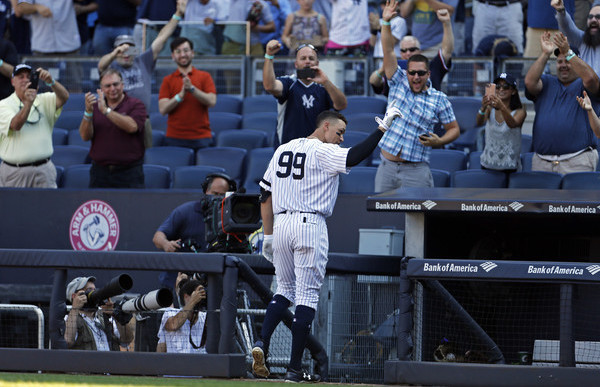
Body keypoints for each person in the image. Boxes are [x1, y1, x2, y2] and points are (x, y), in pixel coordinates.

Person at [251, 109, 399, 382]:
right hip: (310, 224)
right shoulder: (322, 150)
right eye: (339, 132)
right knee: (306, 297)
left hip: (281, 225)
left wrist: (268, 235)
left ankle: (262, 342)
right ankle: (294, 369)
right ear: (325, 126)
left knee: (284, 290)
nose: (341, 139)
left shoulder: (284, 148)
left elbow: (264, 194)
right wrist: (381, 130)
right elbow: (355, 156)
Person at [374, 0, 459, 192]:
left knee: (417, 220)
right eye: (412, 73)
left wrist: (440, 141)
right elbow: (387, 50)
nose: (416, 77)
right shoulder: (397, 82)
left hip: (416, 169)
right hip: (386, 166)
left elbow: (454, 129)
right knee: (380, 217)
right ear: (407, 72)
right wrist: (385, 23)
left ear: (429, 74)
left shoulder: (438, 98)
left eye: (421, 73)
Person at [98, 0, 188, 148]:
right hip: (117, 119)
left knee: (145, 158)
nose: (126, 54)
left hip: (142, 120)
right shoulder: (111, 67)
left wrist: (178, 14)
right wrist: (115, 53)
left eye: (130, 50)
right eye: (122, 50)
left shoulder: (143, 61)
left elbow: (162, 38)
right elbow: (101, 65)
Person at [524, 31, 600, 174]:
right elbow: (529, 82)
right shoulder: (547, 82)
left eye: (567, 61)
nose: (563, 65)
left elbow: (591, 80)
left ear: (577, 62)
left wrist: (568, 53)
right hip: (542, 162)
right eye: (559, 61)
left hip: (578, 161)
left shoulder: (584, 85)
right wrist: (545, 54)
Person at [152, 172, 236, 291]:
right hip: (176, 285)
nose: (217, 198)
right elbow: (157, 237)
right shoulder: (185, 211)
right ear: (206, 191)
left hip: (211, 286)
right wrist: (166, 244)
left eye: (222, 195)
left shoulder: (230, 218)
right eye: (215, 194)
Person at [263, 40, 347, 147]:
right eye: (303, 58)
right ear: (296, 64)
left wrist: (326, 82)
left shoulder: (325, 86)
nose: (307, 61)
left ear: (317, 63)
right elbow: (269, 86)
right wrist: (269, 55)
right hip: (289, 150)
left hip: (317, 150)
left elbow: (341, 105)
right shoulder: (289, 83)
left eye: (311, 58)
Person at [0, 64, 69, 188]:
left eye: (29, 76)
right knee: (14, 208)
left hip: (44, 170)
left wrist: (51, 82)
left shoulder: (44, 99)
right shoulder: (3, 105)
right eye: (20, 77)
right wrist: (28, 103)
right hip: (15, 173)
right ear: (12, 82)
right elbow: (16, 125)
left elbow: (64, 97)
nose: (26, 80)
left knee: (49, 207)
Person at [79, 68, 147, 188]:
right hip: (100, 173)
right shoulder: (94, 107)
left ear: (122, 84)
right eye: (107, 86)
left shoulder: (136, 104)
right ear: (101, 89)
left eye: (116, 84)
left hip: (129, 173)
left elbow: (132, 127)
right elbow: (85, 136)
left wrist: (106, 111)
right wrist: (88, 113)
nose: (112, 89)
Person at [369, 8, 453, 95]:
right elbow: (374, 82)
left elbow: (447, 51)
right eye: (404, 51)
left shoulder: (431, 66)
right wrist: (383, 69)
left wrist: (446, 23)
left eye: (412, 49)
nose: (408, 53)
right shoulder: (396, 71)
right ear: (400, 53)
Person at [158, 36, 217, 150]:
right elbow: (163, 109)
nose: (182, 55)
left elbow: (212, 101)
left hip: (202, 138)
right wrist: (180, 96)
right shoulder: (167, 80)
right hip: (174, 138)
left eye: (186, 50)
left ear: (192, 53)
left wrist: (192, 89)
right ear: (173, 56)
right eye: (178, 51)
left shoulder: (205, 76)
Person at [64, 276, 134, 351]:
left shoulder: (105, 317)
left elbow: (127, 340)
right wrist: (75, 308)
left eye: (94, 290)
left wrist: (117, 316)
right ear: (74, 296)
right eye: (89, 290)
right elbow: (67, 342)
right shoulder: (68, 319)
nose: (93, 293)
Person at [476, 73, 527, 173]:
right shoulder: (490, 109)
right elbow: (479, 122)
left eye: (506, 87)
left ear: (513, 91)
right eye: (498, 87)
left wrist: (502, 107)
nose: (501, 90)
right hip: (488, 165)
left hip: (510, 167)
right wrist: (483, 107)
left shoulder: (520, 112)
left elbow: (512, 124)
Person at [156, 277, 207, 353]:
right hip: (175, 363)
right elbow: (174, 325)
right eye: (197, 295)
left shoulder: (204, 317)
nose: (199, 299)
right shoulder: (170, 313)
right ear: (186, 297)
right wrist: (193, 301)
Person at [553, 0, 600, 76]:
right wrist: (561, 11)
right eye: (590, 17)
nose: (593, 20)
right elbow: (567, 28)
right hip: (584, 87)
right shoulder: (583, 40)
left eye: (598, 17)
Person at [369, 0, 407, 66]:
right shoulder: (379, 21)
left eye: (389, 4)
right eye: (384, 4)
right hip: (378, 61)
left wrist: (380, 28)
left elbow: (391, 42)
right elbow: (372, 44)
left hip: (393, 62)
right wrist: (374, 30)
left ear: (397, 6)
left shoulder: (400, 21)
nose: (386, 7)